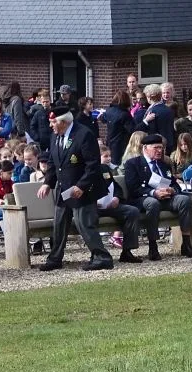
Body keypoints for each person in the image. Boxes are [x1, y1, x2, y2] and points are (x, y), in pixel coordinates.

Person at [40, 106, 113, 270]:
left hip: (83, 189)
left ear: (63, 122)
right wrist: (47, 183)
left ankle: (102, 257)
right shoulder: (55, 136)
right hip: (64, 189)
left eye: (53, 122)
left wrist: (81, 186)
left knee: (84, 223)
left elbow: (93, 165)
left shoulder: (84, 134)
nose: (50, 126)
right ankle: (55, 258)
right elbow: (53, 162)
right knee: (59, 222)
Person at [123, 133, 192, 261]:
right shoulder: (133, 164)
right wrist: (154, 193)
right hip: (143, 199)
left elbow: (175, 185)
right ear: (145, 148)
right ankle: (153, 246)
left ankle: (186, 243)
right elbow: (133, 188)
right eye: (156, 148)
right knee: (153, 203)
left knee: (184, 199)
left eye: (161, 148)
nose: (160, 151)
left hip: (166, 198)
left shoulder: (164, 164)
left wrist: (172, 190)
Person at [93, 152, 143, 264]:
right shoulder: (79, 171)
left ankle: (127, 251)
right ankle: (98, 253)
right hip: (92, 207)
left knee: (132, 211)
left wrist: (116, 198)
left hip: (110, 205)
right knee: (89, 217)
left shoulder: (104, 168)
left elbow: (114, 186)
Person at [137, 84, 175, 152]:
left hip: (156, 146)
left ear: (149, 97)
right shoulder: (168, 109)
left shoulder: (152, 112)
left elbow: (151, 130)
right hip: (170, 144)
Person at [101, 89, 134, 164]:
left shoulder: (109, 110)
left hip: (110, 142)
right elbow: (132, 129)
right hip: (121, 144)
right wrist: (145, 122)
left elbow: (103, 119)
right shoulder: (124, 114)